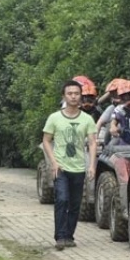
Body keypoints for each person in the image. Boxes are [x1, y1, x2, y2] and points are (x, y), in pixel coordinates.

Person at [43, 80, 98, 250]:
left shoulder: (87, 119)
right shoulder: (54, 118)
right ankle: (60, 236)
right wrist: (53, 162)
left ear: (80, 96)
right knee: (62, 199)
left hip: (79, 168)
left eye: (76, 93)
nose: (73, 97)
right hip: (61, 167)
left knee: (75, 203)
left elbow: (92, 143)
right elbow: (46, 141)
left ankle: (69, 235)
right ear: (64, 96)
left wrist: (92, 166)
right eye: (70, 94)